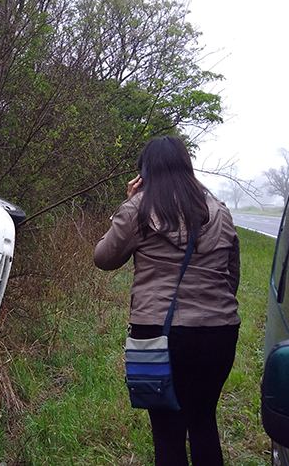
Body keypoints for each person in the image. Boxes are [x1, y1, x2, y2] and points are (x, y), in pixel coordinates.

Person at [93, 136, 240, 466]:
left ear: (144, 174)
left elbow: (103, 258)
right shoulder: (220, 211)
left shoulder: (137, 210)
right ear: (187, 167)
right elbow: (232, 276)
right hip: (218, 332)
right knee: (204, 421)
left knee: (167, 431)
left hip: (157, 333)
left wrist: (128, 203)